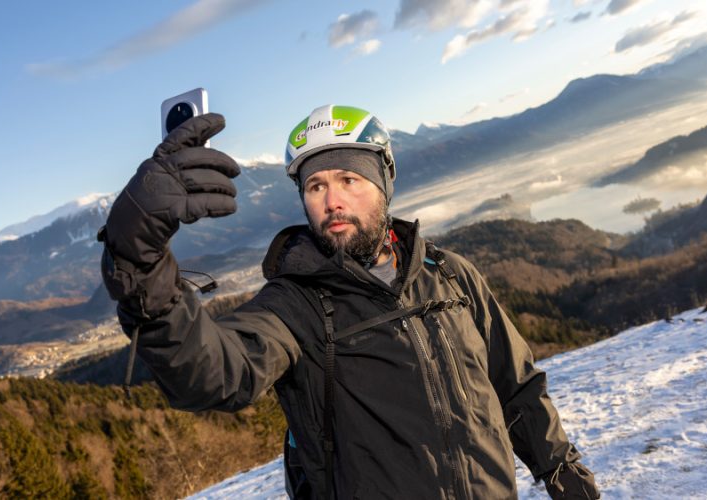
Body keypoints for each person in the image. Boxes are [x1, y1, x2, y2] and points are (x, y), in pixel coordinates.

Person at [99, 105, 600, 499]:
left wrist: (557, 463)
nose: (331, 200)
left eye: (348, 180)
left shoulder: (449, 275)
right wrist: (136, 256)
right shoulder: (294, 306)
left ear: (382, 186)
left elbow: (514, 384)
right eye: (315, 185)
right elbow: (212, 375)